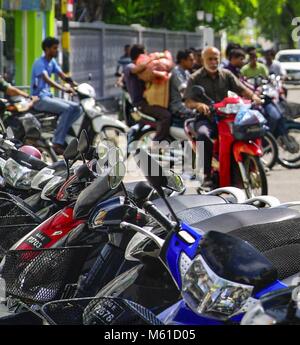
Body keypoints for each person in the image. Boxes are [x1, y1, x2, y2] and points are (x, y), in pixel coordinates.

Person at [184, 46, 262, 188]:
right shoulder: (195, 78)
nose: (213, 62)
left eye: (216, 59)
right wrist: (199, 105)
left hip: (227, 118)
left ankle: (250, 164)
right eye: (210, 59)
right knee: (203, 135)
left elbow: (242, 89)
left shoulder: (226, 75)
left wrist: (254, 96)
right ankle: (207, 174)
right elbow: (188, 101)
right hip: (206, 118)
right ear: (203, 60)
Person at [31, 37, 81, 155]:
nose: (56, 50)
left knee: (78, 108)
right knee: (68, 109)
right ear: (47, 49)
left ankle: (62, 133)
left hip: (49, 96)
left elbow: (63, 76)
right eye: (54, 48)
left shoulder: (52, 62)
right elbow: (46, 79)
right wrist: (63, 88)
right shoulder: (39, 62)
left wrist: (76, 85)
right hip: (39, 99)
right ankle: (57, 143)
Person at [123, 44, 171, 142]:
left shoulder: (144, 68)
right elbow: (137, 69)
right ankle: (156, 144)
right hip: (141, 104)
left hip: (149, 101)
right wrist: (153, 57)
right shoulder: (130, 67)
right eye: (146, 53)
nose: (147, 55)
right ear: (142, 54)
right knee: (166, 116)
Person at [169, 49, 195, 126]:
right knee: (196, 114)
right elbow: (184, 90)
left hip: (186, 103)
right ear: (183, 60)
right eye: (191, 60)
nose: (193, 62)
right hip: (178, 105)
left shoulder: (186, 72)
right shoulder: (176, 72)